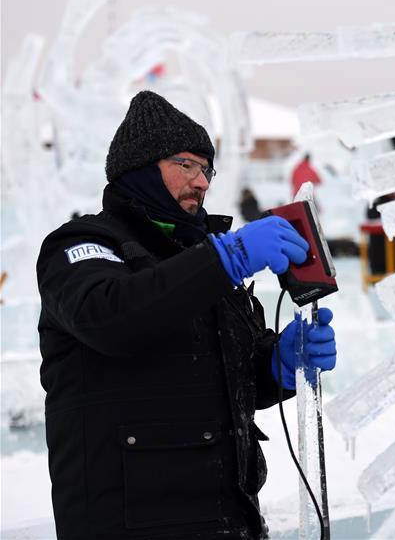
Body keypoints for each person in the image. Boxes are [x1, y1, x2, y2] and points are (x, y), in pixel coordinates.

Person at [36, 90, 337, 540]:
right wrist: (226, 259)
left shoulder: (202, 259)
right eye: (186, 165)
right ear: (139, 168)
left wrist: (278, 365)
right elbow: (114, 319)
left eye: (207, 169)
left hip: (228, 522)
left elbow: (215, 378)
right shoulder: (82, 246)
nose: (201, 182)